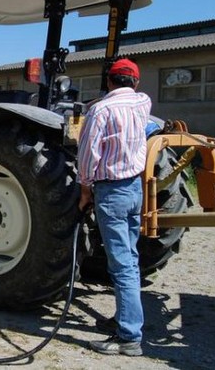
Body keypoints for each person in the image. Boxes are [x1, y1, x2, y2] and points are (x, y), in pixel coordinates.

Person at [77, 58, 151, 357]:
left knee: (121, 266)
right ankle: (124, 319)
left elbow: (87, 154)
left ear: (109, 80)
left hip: (112, 192)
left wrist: (84, 189)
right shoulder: (142, 102)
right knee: (129, 260)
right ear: (136, 83)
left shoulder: (101, 110)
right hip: (135, 189)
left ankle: (129, 338)